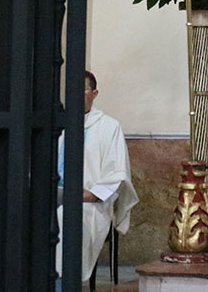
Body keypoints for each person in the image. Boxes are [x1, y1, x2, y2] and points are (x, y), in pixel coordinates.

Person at [57, 71, 138, 285]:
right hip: (57, 195)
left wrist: (91, 194)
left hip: (90, 203)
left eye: (81, 90)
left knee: (67, 215)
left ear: (94, 93)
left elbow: (117, 172)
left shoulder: (109, 127)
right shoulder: (57, 125)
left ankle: (65, 280)